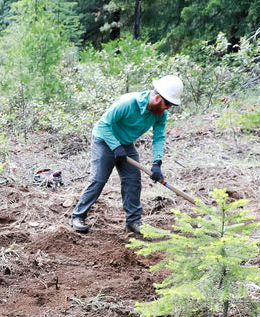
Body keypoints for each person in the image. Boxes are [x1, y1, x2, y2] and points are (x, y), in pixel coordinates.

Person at [69, 74, 183, 234]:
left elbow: (159, 137)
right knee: (98, 180)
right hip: (104, 140)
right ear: (158, 98)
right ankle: (77, 216)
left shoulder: (160, 114)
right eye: (168, 104)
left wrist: (157, 163)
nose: (168, 108)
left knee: (133, 181)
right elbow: (102, 125)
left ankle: (133, 221)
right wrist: (115, 147)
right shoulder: (127, 103)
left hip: (125, 144)